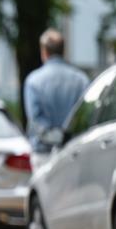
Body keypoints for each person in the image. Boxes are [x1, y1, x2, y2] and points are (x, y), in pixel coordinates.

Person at [23, 29, 90, 168]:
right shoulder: (81, 80)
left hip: (43, 153)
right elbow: (85, 116)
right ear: (63, 51)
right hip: (74, 152)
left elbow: (36, 119)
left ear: (44, 52)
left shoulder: (33, 81)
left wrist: (54, 137)